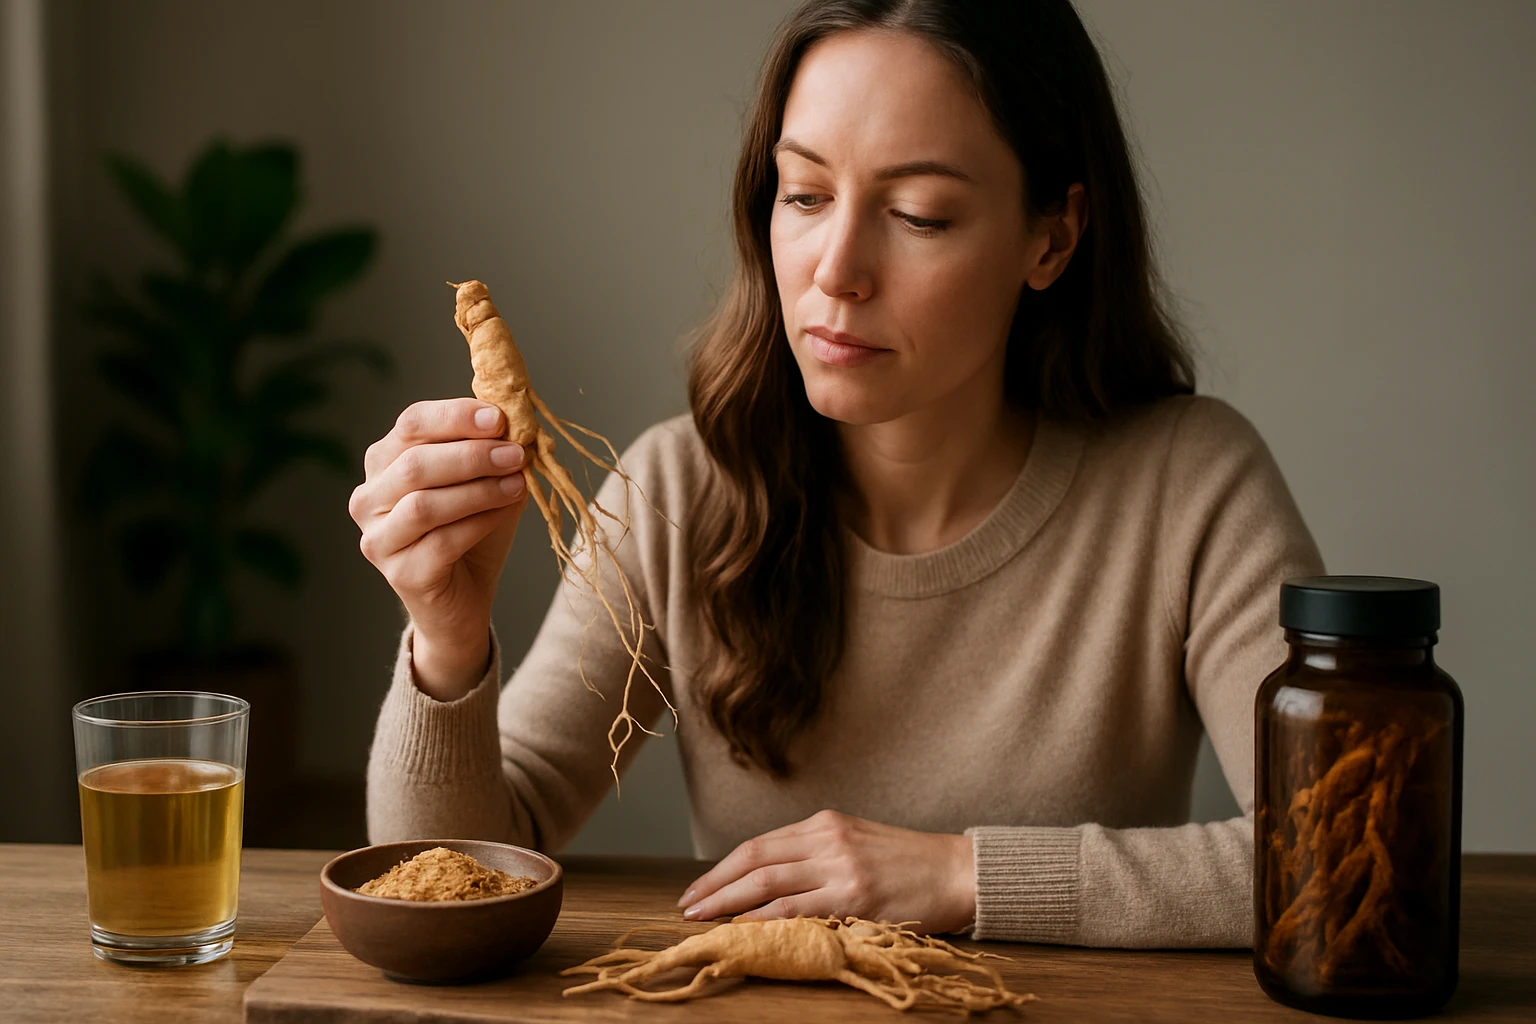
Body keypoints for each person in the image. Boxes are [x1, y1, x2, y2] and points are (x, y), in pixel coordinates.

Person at [349, 0, 1322, 947]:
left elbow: (1336, 854)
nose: (837, 269)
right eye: (806, 195)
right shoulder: (681, 490)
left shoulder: (1190, 486)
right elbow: (453, 869)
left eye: (919, 213)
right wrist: (447, 638)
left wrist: (957, 874)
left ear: (1052, 237)